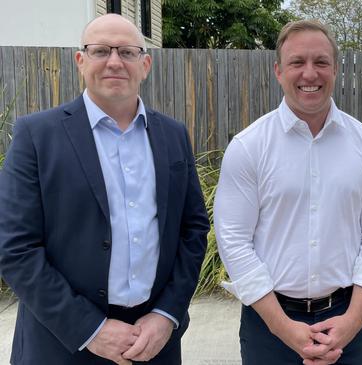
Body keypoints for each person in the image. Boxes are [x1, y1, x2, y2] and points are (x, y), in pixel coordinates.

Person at [0, 14, 210, 365]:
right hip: (62, 343)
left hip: (154, 343)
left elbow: (193, 230)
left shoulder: (173, 135)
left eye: (127, 52)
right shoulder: (36, 136)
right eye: (100, 51)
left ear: (145, 64)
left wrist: (167, 315)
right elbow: (15, 247)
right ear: (80, 61)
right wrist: (89, 328)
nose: (114, 62)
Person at [213, 19, 362, 365]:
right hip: (269, 325)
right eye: (297, 62)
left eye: (321, 62)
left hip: (349, 322)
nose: (309, 74)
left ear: (336, 69)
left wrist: (354, 320)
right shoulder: (249, 147)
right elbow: (234, 241)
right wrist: (283, 327)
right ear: (279, 71)